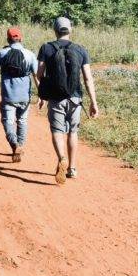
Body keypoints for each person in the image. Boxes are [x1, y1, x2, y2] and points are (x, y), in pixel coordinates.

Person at [37, 17, 100, 185]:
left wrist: (42, 94)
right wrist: (94, 102)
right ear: (70, 30)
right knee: (73, 132)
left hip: (56, 98)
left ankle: (62, 158)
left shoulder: (46, 48)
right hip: (75, 98)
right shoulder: (80, 50)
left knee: (57, 131)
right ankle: (72, 168)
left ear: (55, 30)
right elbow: (88, 78)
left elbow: (39, 73)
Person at [0, 27, 38, 162]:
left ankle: (15, 145)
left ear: (8, 39)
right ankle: (20, 146)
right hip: (25, 96)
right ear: (21, 38)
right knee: (22, 121)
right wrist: (41, 94)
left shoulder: (3, 52)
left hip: (8, 95)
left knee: (8, 122)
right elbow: (36, 75)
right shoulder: (30, 54)